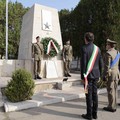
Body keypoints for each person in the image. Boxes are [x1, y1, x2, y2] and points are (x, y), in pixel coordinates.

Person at [81, 32, 103, 120]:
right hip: (96, 75)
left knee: (88, 95)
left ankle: (89, 115)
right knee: (95, 94)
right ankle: (95, 114)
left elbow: (84, 64)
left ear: (85, 39)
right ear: (92, 39)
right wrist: (100, 74)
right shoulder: (98, 49)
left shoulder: (84, 48)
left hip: (87, 76)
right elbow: (101, 63)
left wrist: (83, 77)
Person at [103, 39, 120, 112]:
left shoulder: (108, 53)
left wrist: (104, 75)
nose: (106, 46)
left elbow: (107, 66)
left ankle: (111, 106)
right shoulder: (117, 52)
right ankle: (114, 104)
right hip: (117, 73)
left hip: (111, 74)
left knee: (110, 90)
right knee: (115, 89)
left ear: (109, 45)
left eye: (107, 44)